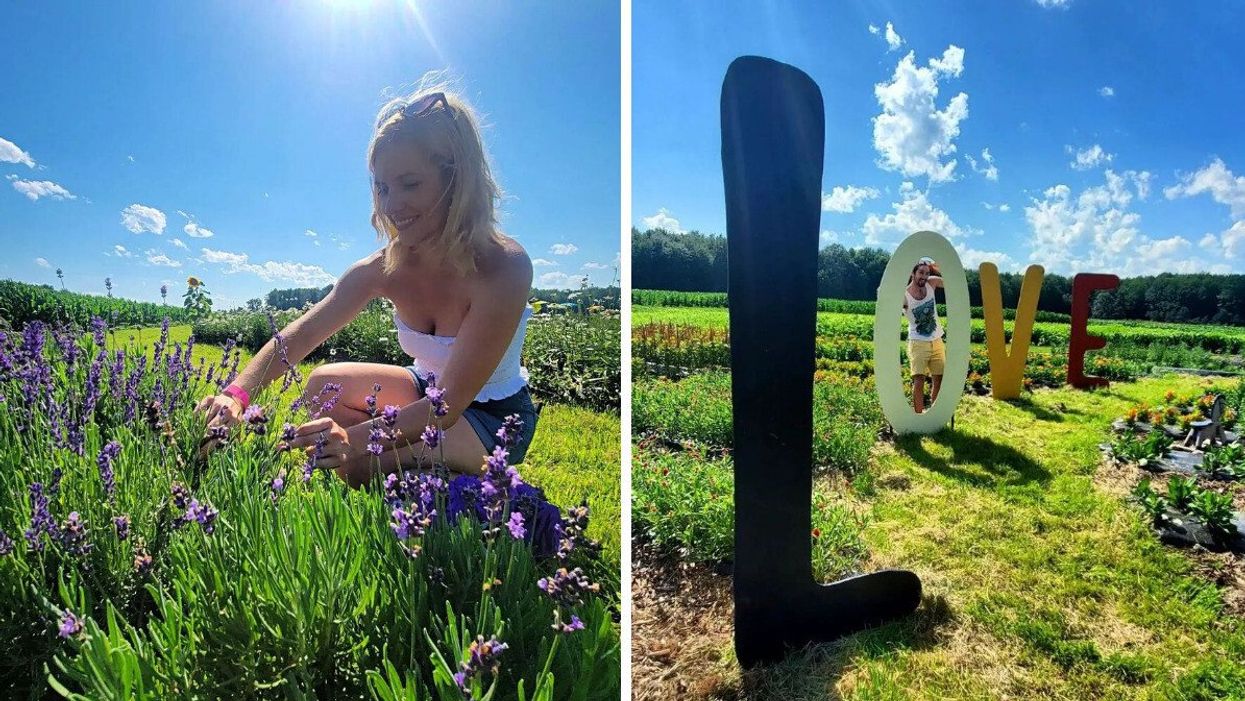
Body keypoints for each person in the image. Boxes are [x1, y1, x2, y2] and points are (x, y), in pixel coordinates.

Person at [194, 76, 538, 487]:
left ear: (457, 179)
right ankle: (421, 469)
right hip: (420, 390)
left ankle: (474, 485)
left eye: (410, 184)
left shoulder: (505, 266)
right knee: (322, 386)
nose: (392, 206)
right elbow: (298, 337)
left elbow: (445, 405)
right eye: (382, 187)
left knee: (357, 466)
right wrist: (237, 396)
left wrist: (353, 439)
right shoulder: (381, 268)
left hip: (492, 416)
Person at [902, 256, 944, 414]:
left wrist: (941, 268)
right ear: (912, 273)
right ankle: (918, 417)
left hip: (937, 340)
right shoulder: (904, 295)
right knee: (919, 381)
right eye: (921, 273)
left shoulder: (932, 283)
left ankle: (935, 416)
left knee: (938, 379)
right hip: (918, 342)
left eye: (927, 273)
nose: (924, 277)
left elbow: (952, 282)